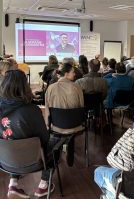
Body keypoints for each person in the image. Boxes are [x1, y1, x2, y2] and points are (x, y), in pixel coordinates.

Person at [0, 70, 55, 198]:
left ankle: (13, 183)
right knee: (53, 146)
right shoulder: (32, 110)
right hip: (33, 161)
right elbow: (44, 139)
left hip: (5, 160)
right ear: (24, 86)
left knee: (13, 142)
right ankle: (43, 185)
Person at [45, 63, 84, 166]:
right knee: (70, 127)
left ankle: (56, 155)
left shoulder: (50, 88)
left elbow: (47, 110)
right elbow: (81, 107)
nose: (75, 73)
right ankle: (69, 156)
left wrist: (48, 126)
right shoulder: (77, 87)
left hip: (57, 126)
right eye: (73, 72)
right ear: (66, 74)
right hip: (75, 126)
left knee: (60, 130)